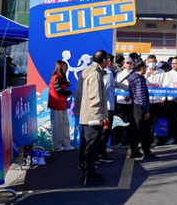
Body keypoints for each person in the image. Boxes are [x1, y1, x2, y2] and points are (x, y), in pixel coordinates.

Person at [74, 50, 108, 186]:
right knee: (91, 146)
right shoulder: (94, 74)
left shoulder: (88, 71)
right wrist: (98, 116)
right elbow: (95, 97)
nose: (108, 62)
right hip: (93, 116)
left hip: (87, 115)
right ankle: (88, 174)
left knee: (87, 145)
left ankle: (89, 171)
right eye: (107, 59)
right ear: (103, 60)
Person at [127, 61, 157, 160]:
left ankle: (135, 151)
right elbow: (141, 96)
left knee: (135, 130)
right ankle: (146, 152)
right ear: (142, 68)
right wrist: (146, 111)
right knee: (144, 131)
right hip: (140, 106)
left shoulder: (132, 78)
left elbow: (131, 93)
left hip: (134, 105)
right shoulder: (139, 80)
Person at [48, 60, 74, 151]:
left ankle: (66, 143)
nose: (66, 69)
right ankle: (57, 145)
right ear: (60, 67)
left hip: (62, 104)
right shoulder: (56, 77)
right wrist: (69, 92)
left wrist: (66, 84)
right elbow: (58, 90)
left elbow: (60, 86)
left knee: (65, 125)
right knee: (57, 126)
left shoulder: (60, 78)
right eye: (64, 67)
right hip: (56, 105)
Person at [145, 55, 167, 145]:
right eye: (150, 62)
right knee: (147, 121)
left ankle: (156, 138)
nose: (152, 63)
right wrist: (145, 77)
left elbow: (164, 86)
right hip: (147, 101)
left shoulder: (162, 72)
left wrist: (163, 98)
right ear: (147, 62)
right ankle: (147, 138)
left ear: (156, 61)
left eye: (153, 61)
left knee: (156, 120)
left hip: (158, 100)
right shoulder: (144, 72)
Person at [114, 57, 134, 146]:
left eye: (130, 63)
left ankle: (129, 139)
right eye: (127, 63)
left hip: (131, 101)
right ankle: (118, 139)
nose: (128, 65)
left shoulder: (134, 74)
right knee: (119, 120)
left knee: (130, 120)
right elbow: (116, 85)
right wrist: (124, 95)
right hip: (121, 100)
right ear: (123, 64)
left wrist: (130, 96)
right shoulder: (119, 74)